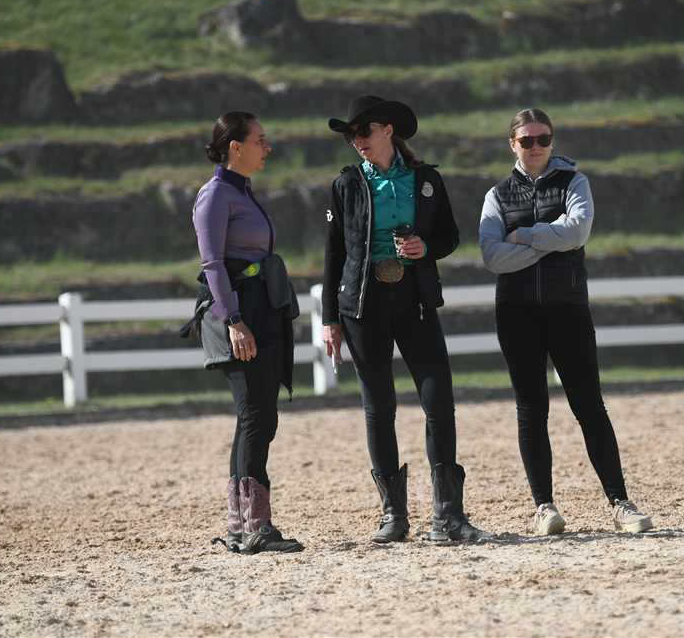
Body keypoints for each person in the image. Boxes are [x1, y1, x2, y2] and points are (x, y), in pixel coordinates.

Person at [321, 95, 489, 544]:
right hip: (362, 305)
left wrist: (424, 248)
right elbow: (334, 252)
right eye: (351, 136)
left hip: (415, 300)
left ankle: (448, 516)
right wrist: (329, 319)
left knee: (439, 400)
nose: (356, 141)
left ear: (387, 130)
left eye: (363, 132)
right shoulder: (346, 184)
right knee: (379, 407)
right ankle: (393, 515)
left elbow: (449, 236)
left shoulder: (427, 180)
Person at [478, 108, 653, 536]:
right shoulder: (496, 195)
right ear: (513, 145)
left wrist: (524, 235)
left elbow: (577, 233)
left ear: (552, 141)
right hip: (516, 313)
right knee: (531, 409)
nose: (535, 146)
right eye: (527, 140)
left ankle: (620, 502)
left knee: (589, 405)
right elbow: (493, 257)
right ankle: (544, 506)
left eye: (543, 138)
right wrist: (551, 238)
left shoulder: (575, 183)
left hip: (568, 308)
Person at [188, 111, 303, 554]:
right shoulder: (215, 195)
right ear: (235, 146)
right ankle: (255, 526)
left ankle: (243, 525)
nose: (267, 147)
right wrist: (234, 321)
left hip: (260, 306)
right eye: (260, 140)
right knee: (257, 415)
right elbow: (212, 264)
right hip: (241, 311)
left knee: (255, 415)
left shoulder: (241, 191)